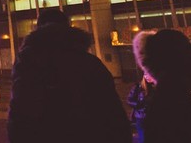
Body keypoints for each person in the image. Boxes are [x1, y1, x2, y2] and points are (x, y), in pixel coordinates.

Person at [7, 9, 130, 143]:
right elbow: (113, 113)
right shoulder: (90, 63)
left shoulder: (29, 64)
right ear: (67, 27)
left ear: (38, 29)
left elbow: (20, 113)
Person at [128, 30, 156, 143]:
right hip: (142, 117)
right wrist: (140, 104)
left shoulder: (163, 86)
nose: (147, 75)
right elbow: (130, 100)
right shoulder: (139, 87)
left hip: (154, 118)